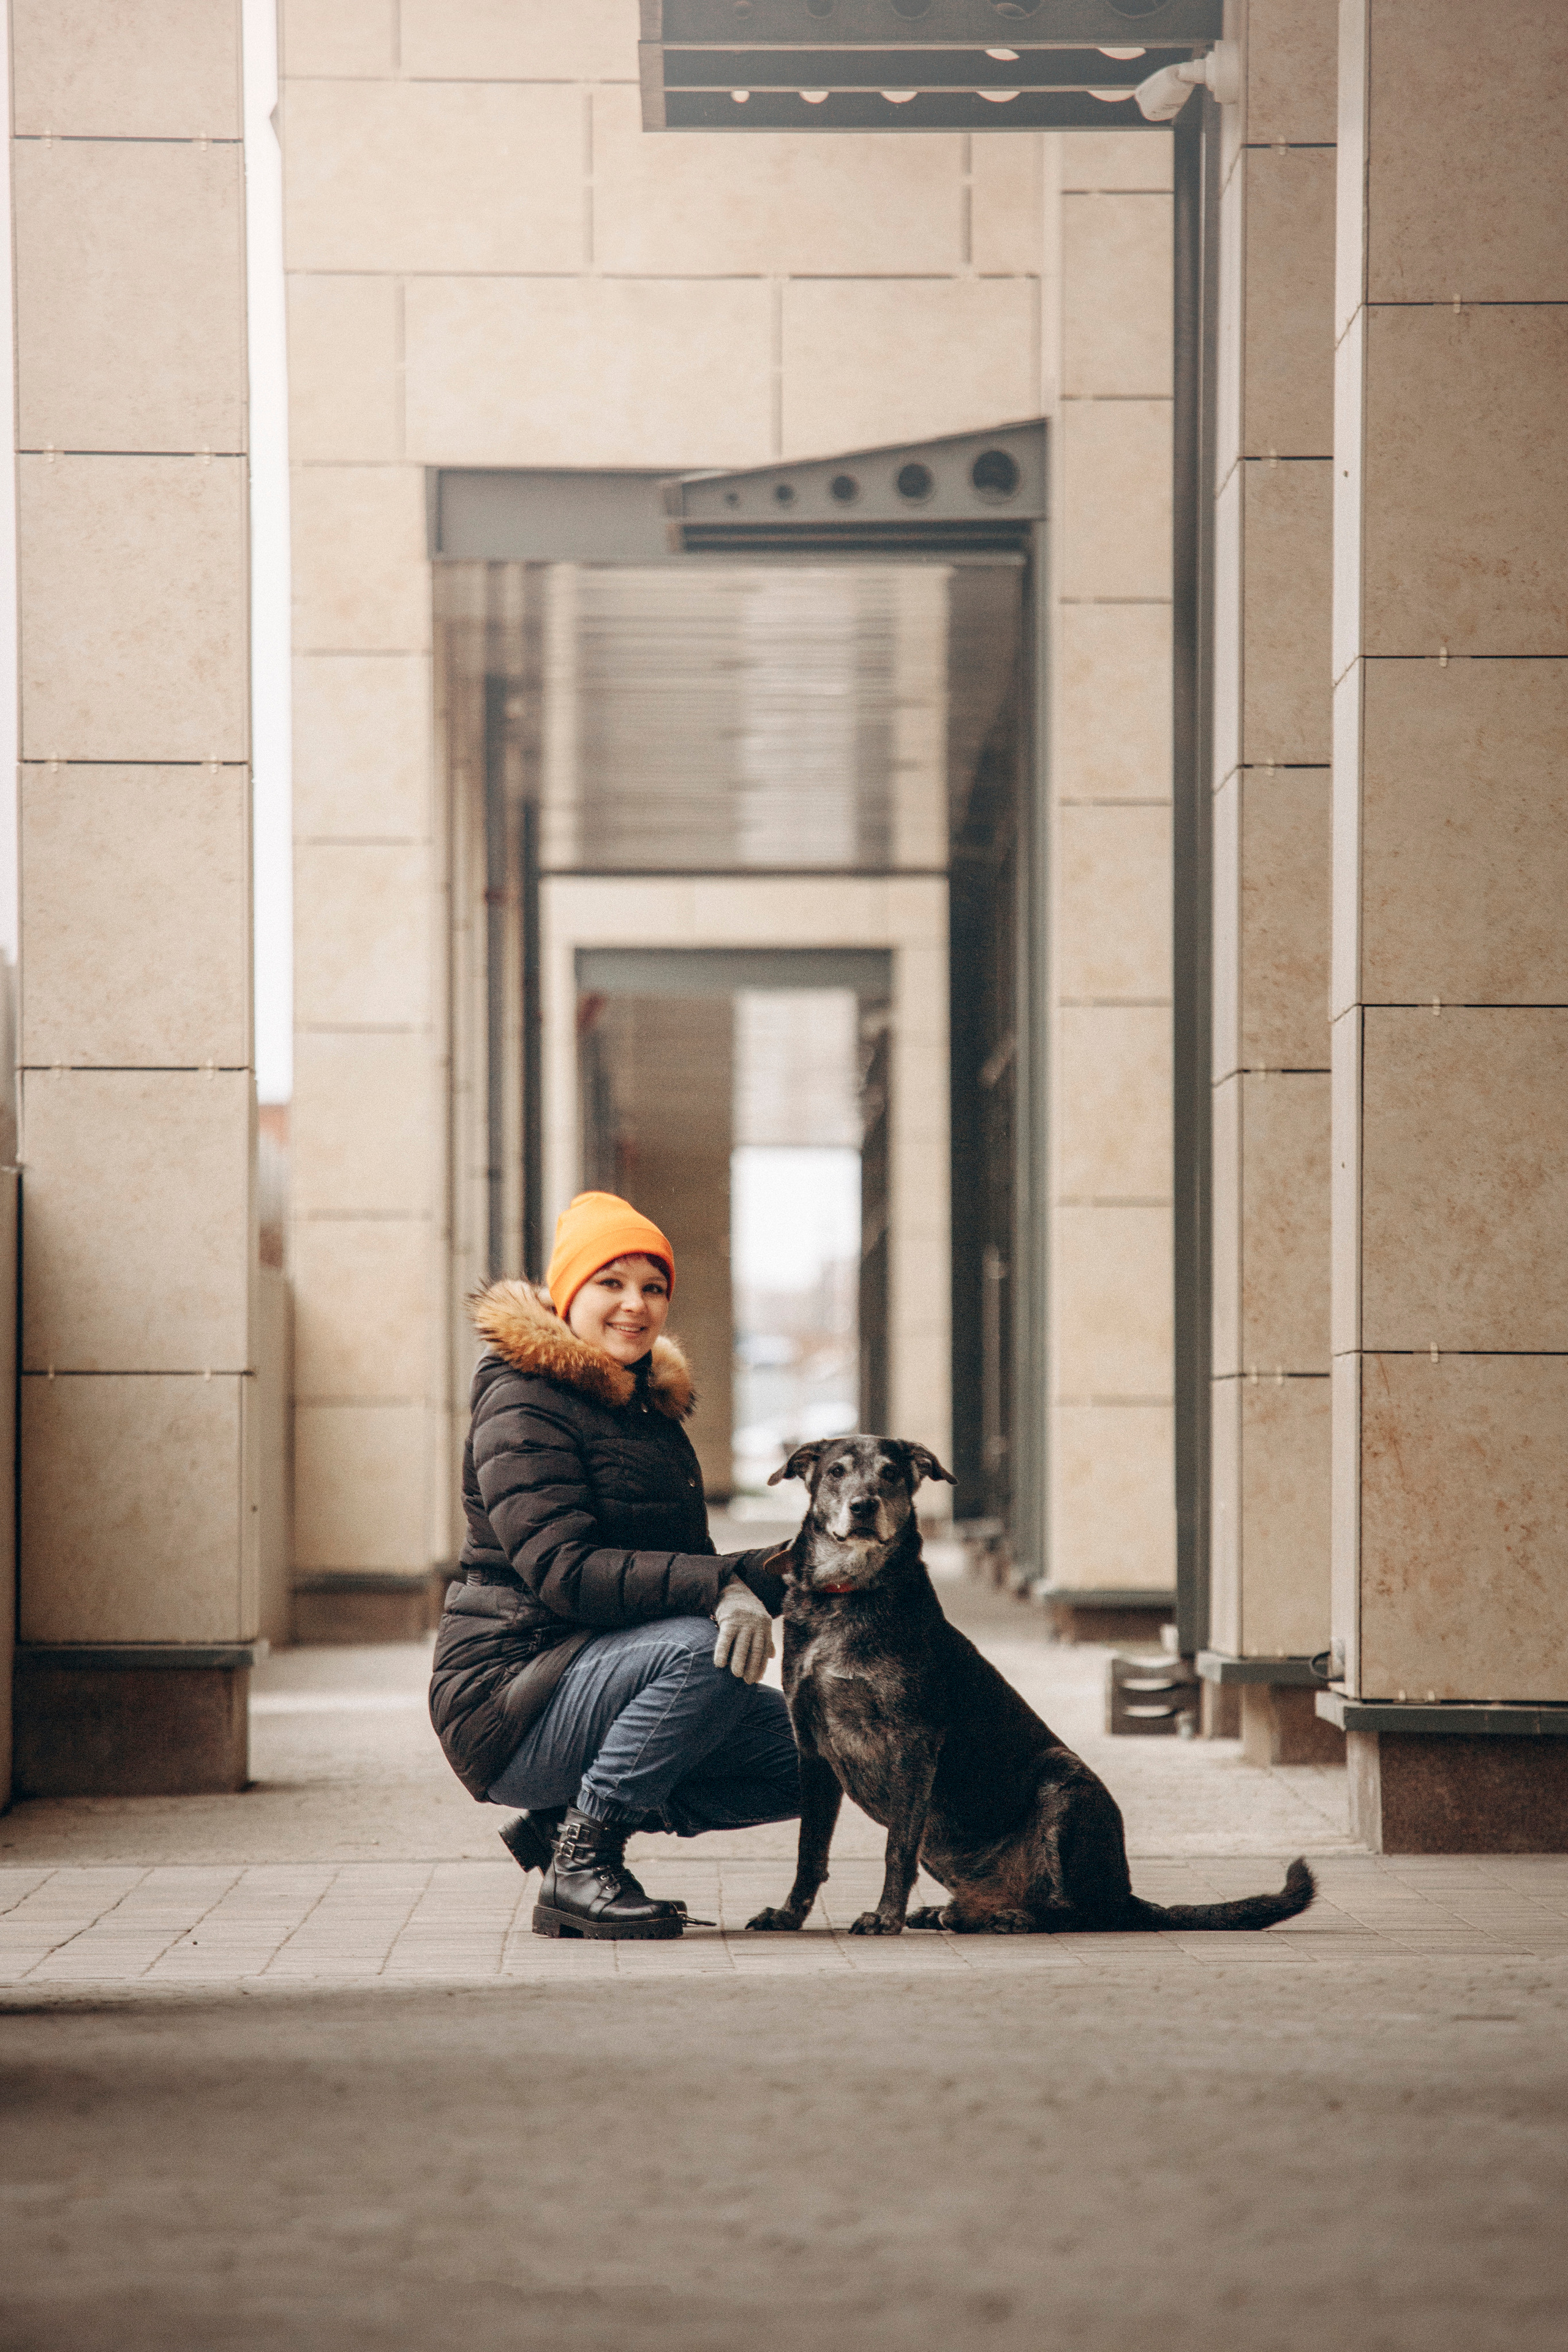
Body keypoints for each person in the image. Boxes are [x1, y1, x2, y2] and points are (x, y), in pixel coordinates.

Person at [429, 1190, 797, 1941]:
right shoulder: (524, 1401)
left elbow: (676, 1569)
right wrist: (720, 1589)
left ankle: (569, 1817)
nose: (636, 1305)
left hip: (596, 1678)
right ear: (569, 1293)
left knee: (821, 1752)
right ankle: (580, 1862)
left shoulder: (641, 1408)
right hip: (509, 1699)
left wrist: (797, 1567)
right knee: (705, 1652)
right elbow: (566, 1571)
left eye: (653, 1287)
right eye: (612, 1283)